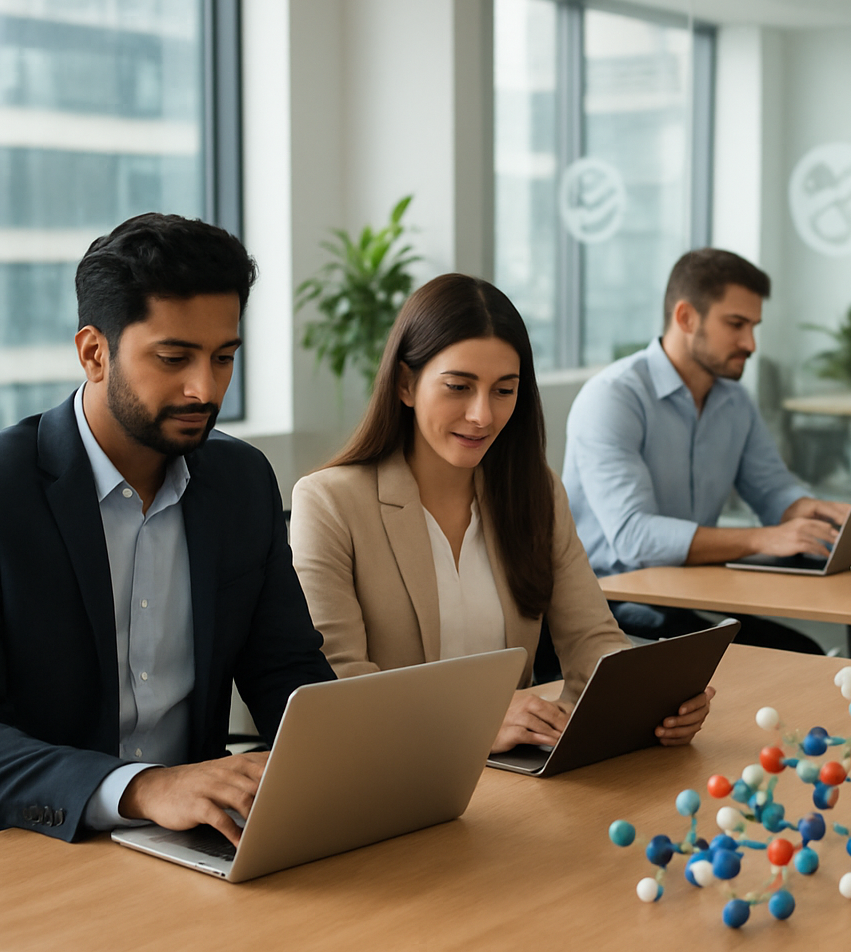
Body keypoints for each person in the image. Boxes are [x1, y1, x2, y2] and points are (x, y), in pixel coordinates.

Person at [0, 213, 334, 845]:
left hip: (195, 842)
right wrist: (143, 786)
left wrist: (359, 771)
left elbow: (287, 673)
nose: (204, 388)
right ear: (94, 352)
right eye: (174, 357)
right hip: (28, 850)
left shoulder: (239, 482)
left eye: (223, 357)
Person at [289, 274, 713, 753]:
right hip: (392, 775)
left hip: (517, 777)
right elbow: (340, 687)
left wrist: (646, 699)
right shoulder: (329, 502)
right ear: (406, 384)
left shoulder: (535, 490)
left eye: (503, 390)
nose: (482, 416)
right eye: (458, 387)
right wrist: (475, 723)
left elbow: (591, 637)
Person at [562, 248, 847, 654]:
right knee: (789, 658)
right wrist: (764, 538)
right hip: (609, 602)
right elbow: (633, 538)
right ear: (685, 318)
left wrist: (810, 511)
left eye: (754, 326)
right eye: (736, 324)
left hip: (689, 590)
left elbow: (771, 488)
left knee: (802, 653)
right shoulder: (613, 398)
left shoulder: (734, 401)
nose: (750, 343)